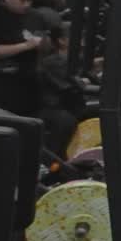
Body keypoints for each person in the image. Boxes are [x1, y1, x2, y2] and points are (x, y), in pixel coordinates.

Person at [37, 22, 87, 157]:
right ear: (62, 41)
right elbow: (73, 85)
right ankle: (53, 160)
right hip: (55, 108)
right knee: (66, 121)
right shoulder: (54, 62)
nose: (82, 42)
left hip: (71, 105)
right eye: (78, 38)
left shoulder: (74, 60)